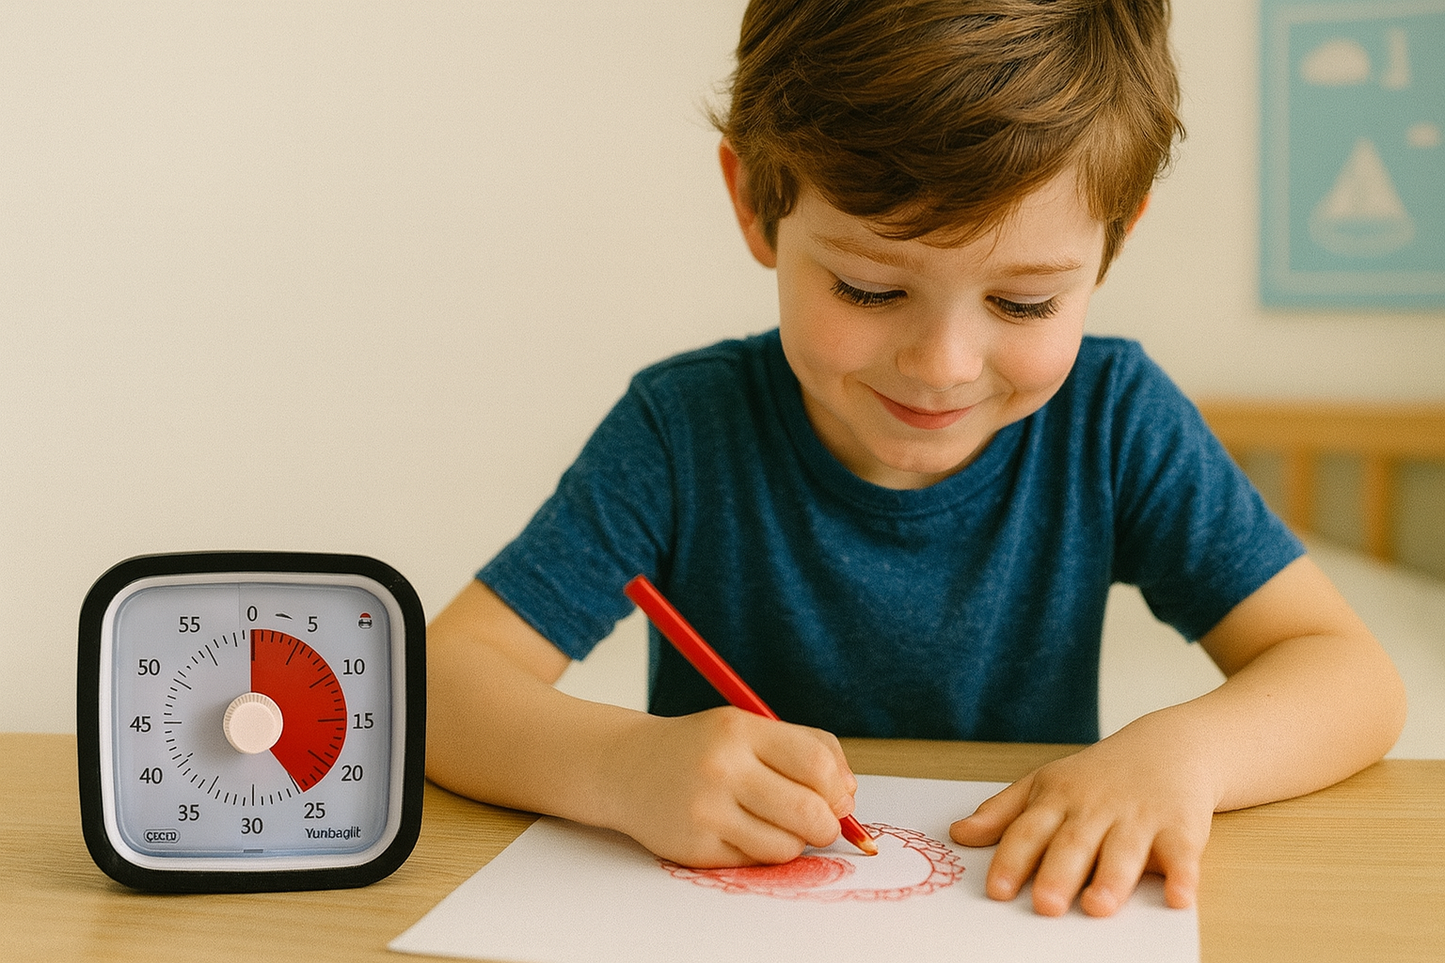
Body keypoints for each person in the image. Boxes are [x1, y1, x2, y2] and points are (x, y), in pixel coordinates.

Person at [426, 0, 1406, 918]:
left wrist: (1183, 754)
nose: (940, 368)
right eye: (864, 287)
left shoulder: (1113, 422)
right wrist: (621, 767)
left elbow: (1349, 679)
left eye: (1022, 304)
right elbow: (441, 683)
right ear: (753, 204)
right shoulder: (681, 431)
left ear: (1115, 237)